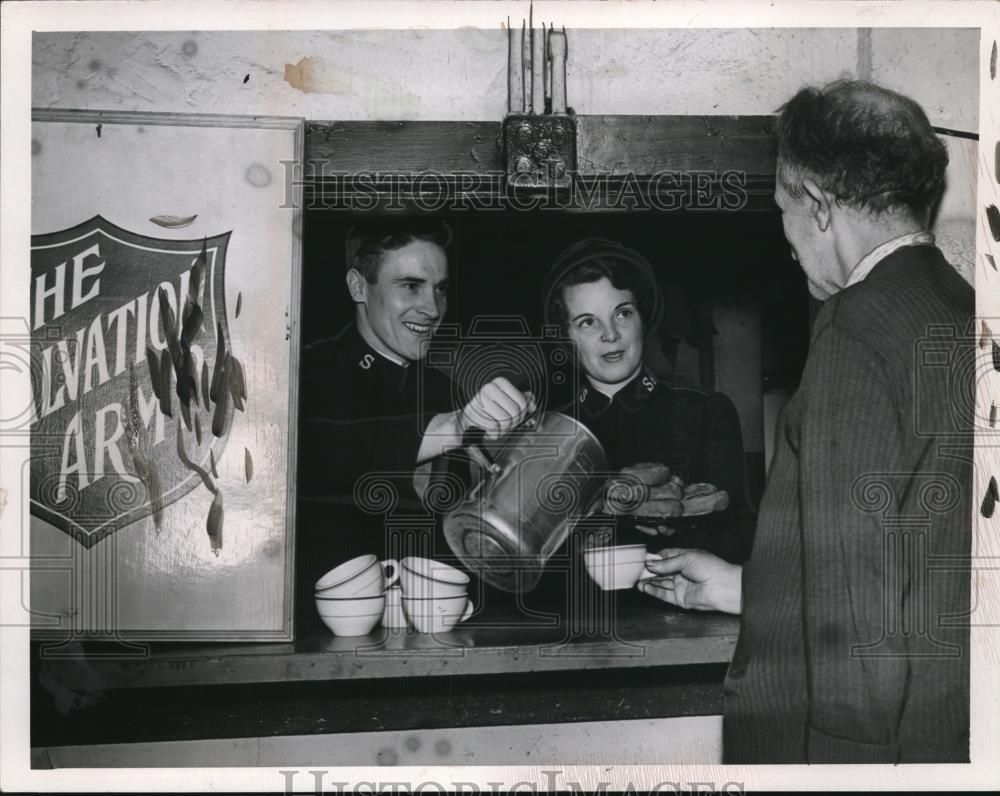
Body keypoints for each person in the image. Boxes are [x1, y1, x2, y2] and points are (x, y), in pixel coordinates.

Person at [639, 80, 972, 763]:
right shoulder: (960, 306)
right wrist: (743, 587)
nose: (786, 240)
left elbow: (857, 613)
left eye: (782, 207)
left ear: (817, 205)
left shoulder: (854, 331)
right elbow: (903, 559)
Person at [297, 219, 534, 630]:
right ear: (358, 287)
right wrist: (452, 428)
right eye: (410, 286)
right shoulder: (301, 371)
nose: (433, 309)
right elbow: (312, 455)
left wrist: (516, 461)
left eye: (440, 288)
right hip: (321, 643)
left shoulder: (444, 389)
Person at [544, 239, 757, 564]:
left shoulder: (707, 411)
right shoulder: (548, 432)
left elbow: (743, 538)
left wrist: (685, 530)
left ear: (644, 321)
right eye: (587, 322)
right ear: (565, 339)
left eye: (623, 314)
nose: (610, 334)